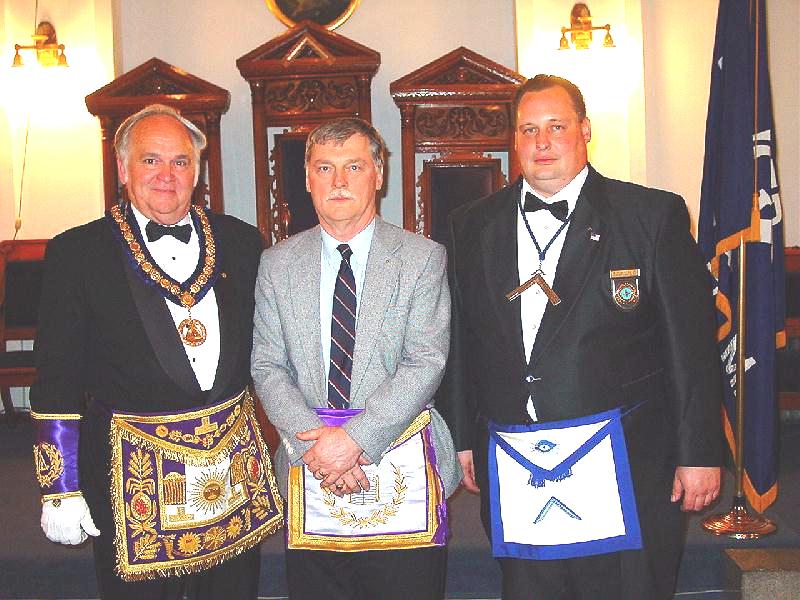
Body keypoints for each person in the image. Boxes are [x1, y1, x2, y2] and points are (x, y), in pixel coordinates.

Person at [439, 75, 723, 599]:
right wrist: (461, 436)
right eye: (529, 130)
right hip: (516, 460)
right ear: (515, 139)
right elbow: (460, 341)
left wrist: (699, 450)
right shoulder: (470, 225)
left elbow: (690, 345)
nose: (542, 142)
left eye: (557, 126)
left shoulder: (650, 216)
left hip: (626, 460)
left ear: (585, 130)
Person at [30, 104, 282, 600]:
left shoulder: (242, 241)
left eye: (180, 161)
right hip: (131, 483)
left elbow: (268, 351)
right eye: (151, 160)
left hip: (231, 477)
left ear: (197, 171)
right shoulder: (78, 253)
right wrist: (59, 487)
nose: (167, 175)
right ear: (123, 169)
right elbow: (56, 377)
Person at [251, 117, 460, 600]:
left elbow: (425, 361)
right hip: (311, 470)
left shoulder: (422, 257)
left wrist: (355, 440)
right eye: (325, 168)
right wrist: (320, 449)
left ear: (378, 174)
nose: (339, 181)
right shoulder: (277, 263)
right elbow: (267, 366)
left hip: (401, 461)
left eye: (354, 166)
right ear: (308, 179)